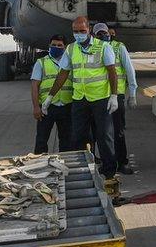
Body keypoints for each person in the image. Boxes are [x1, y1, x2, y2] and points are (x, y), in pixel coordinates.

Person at [46, 16, 120, 193]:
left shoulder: (103, 47)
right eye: (75, 31)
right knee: (78, 137)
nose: (78, 34)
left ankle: (110, 174)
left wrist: (114, 95)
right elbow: (63, 73)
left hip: (101, 99)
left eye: (82, 31)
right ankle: (83, 171)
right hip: (80, 99)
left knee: (104, 137)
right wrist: (50, 96)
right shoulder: (71, 49)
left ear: (89, 30)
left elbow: (112, 72)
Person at [96, 24, 137, 174]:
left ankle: (121, 162)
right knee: (102, 133)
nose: (103, 36)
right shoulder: (93, 49)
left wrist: (132, 93)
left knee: (118, 131)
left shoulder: (119, 47)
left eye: (105, 33)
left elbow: (129, 70)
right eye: (99, 34)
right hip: (100, 96)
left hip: (117, 95)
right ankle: (107, 163)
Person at [31, 34, 74, 154]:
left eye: (60, 45)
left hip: (66, 106)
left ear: (65, 47)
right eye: (53, 45)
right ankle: (39, 165)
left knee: (66, 141)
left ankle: (65, 165)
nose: (56, 47)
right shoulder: (41, 63)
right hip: (46, 107)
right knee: (41, 140)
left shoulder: (71, 63)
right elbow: (35, 85)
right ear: (49, 46)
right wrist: (36, 107)